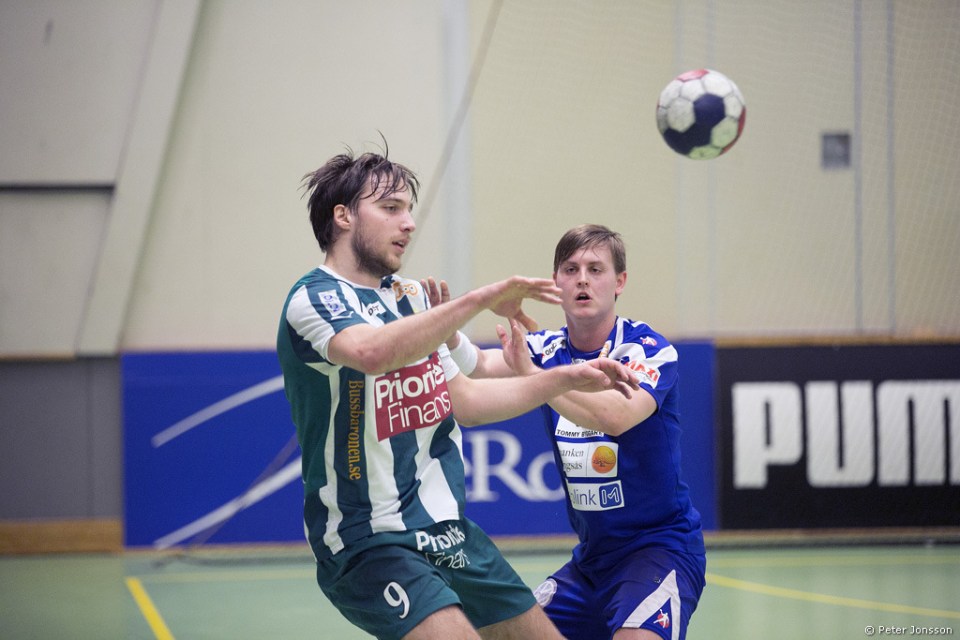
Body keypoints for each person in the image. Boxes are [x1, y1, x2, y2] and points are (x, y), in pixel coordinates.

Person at [276, 148, 641, 640]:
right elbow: (369, 353)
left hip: (449, 532)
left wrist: (563, 378)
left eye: (409, 209)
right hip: (368, 539)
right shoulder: (315, 297)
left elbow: (465, 402)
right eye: (390, 208)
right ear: (342, 216)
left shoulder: (411, 298)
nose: (408, 223)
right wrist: (477, 301)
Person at [431, 224, 706, 640]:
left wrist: (534, 375)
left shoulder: (646, 348)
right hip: (591, 561)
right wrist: (442, 322)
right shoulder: (548, 350)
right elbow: (479, 366)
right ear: (555, 283)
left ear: (620, 282)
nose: (582, 279)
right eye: (570, 269)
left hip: (657, 550)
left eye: (596, 269)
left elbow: (615, 417)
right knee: (507, 633)